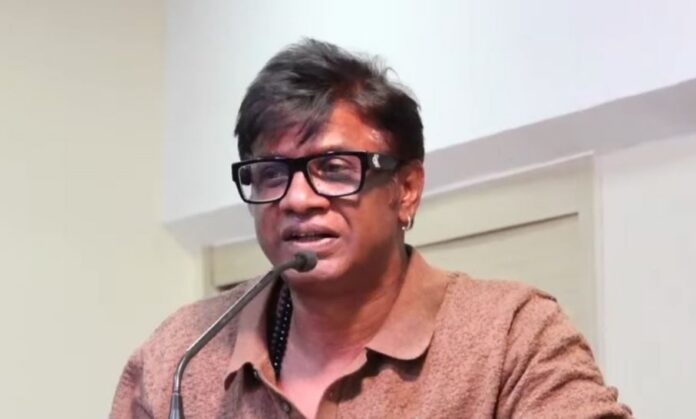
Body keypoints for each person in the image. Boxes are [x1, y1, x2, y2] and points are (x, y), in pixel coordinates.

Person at [110, 39, 632, 419]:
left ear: (406, 189)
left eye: (334, 169)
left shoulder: (510, 336)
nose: (297, 199)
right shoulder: (182, 354)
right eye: (270, 173)